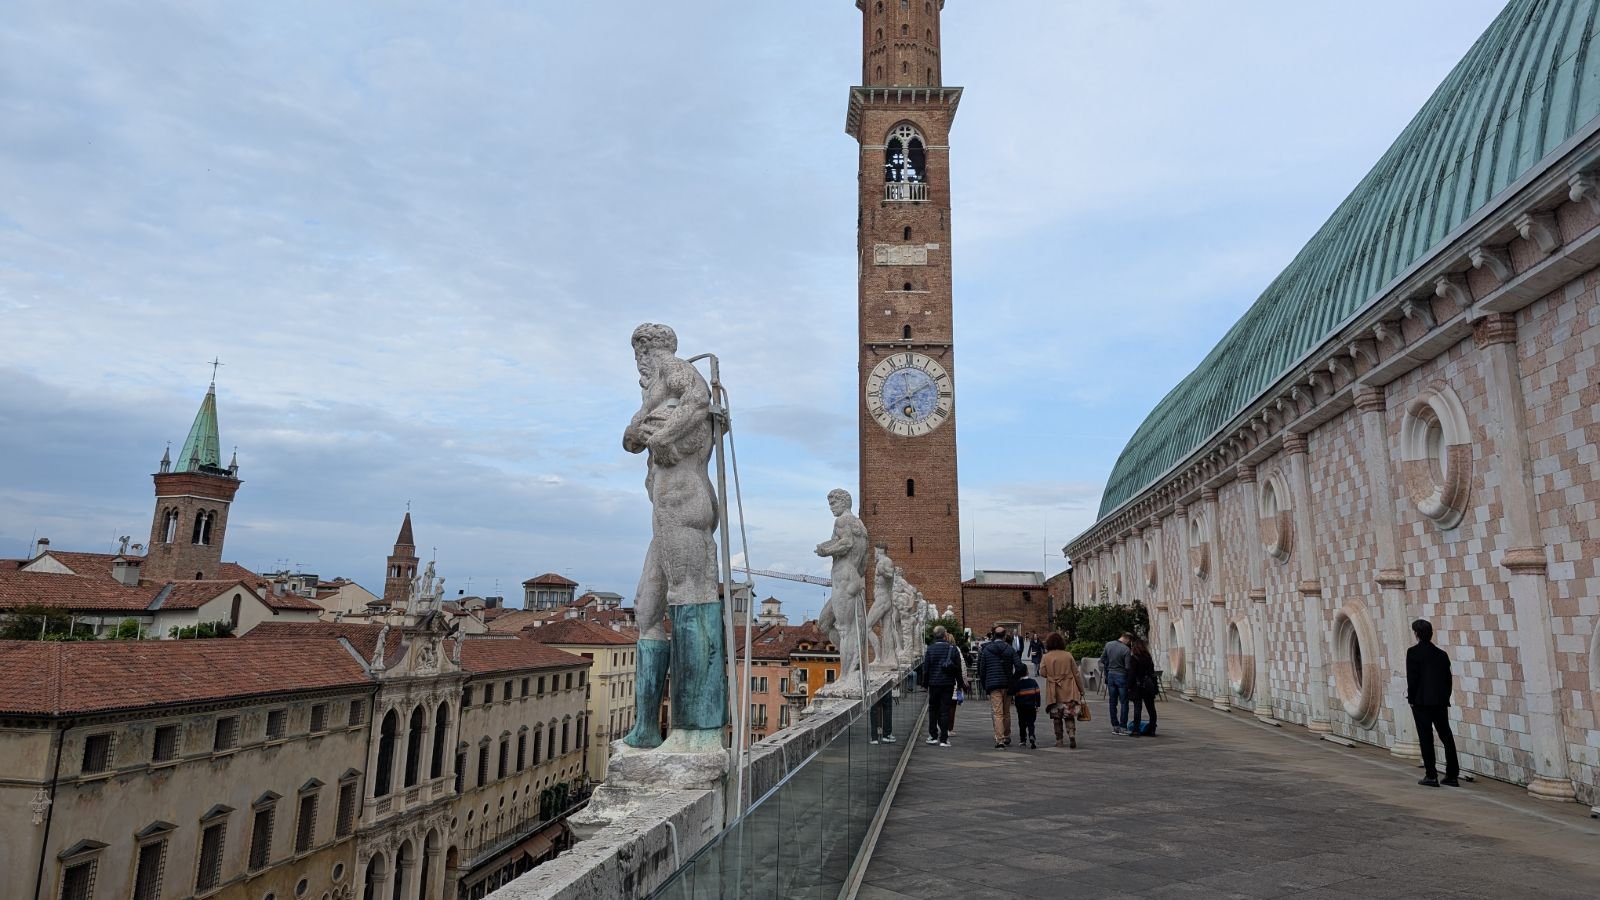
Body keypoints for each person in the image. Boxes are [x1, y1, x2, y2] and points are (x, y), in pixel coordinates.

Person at [1407, 619, 1459, 787]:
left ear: (1417, 634)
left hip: (1421, 702)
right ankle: (1452, 775)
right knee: (1446, 736)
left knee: (1425, 737)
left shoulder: (1413, 653)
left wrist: (1411, 699)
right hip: (1440, 702)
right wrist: (1445, 697)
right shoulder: (1441, 655)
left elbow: (1412, 679)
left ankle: (1431, 775)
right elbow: (1448, 680)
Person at [1039, 633, 1086, 748]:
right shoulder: (1068, 655)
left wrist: (1052, 675)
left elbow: (1043, 673)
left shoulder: (1046, 657)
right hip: (1068, 689)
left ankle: (1059, 740)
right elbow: (1076, 673)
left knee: (1057, 717)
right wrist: (1081, 690)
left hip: (1054, 691)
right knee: (1069, 715)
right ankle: (1071, 734)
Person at [978, 626, 1021, 748]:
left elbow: (982, 669)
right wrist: (1013, 679)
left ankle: (1000, 739)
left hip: (993, 684)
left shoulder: (987, 650)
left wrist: (984, 684)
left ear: (993, 635)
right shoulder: (1010, 649)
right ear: (1005, 636)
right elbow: (1019, 666)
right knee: (1006, 712)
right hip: (1007, 683)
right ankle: (1006, 735)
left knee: (997, 712)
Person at [922, 625, 962, 747]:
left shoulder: (930, 649)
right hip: (948, 683)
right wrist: (960, 684)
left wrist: (925, 684)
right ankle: (944, 739)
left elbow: (926, 669)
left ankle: (933, 736)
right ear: (945, 635)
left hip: (934, 683)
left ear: (935, 636)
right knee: (945, 710)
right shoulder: (952, 648)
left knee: (933, 709)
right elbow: (958, 668)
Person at [1101, 632, 1133, 735]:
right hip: (1121, 676)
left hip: (1111, 675)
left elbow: (1102, 659)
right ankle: (1123, 727)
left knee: (1112, 702)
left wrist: (1109, 665)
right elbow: (1127, 667)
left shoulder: (1108, 644)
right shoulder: (1126, 650)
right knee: (1124, 702)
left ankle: (1115, 726)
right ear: (1128, 639)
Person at [1127, 636, 1158, 737]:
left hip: (1138, 686)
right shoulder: (1148, 658)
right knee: (1151, 708)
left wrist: (1128, 686)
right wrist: (1155, 687)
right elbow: (1152, 673)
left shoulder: (1134, 658)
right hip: (1148, 685)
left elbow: (1132, 674)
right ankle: (1152, 729)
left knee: (1137, 708)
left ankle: (1136, 730)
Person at [944, 629, 968, 737]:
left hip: (941, 682)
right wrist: (964, 681)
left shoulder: (940, 648)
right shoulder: (956, 650)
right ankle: (949, 729)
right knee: (952, 707)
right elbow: (962, 667)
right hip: (953, 682)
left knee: (943, 706)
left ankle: (942, 726)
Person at [1012, 668, 1042, 749]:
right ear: (1027, 672)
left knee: (1022, 723)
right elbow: (1037, 693)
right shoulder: (1033, 682)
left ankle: (1023, 740)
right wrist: (1037, 704)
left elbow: (1015, 694)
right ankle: (1031, 735)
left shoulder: (1018, 683)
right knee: (1031, 722)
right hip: (1031, 706)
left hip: (1021, 707)